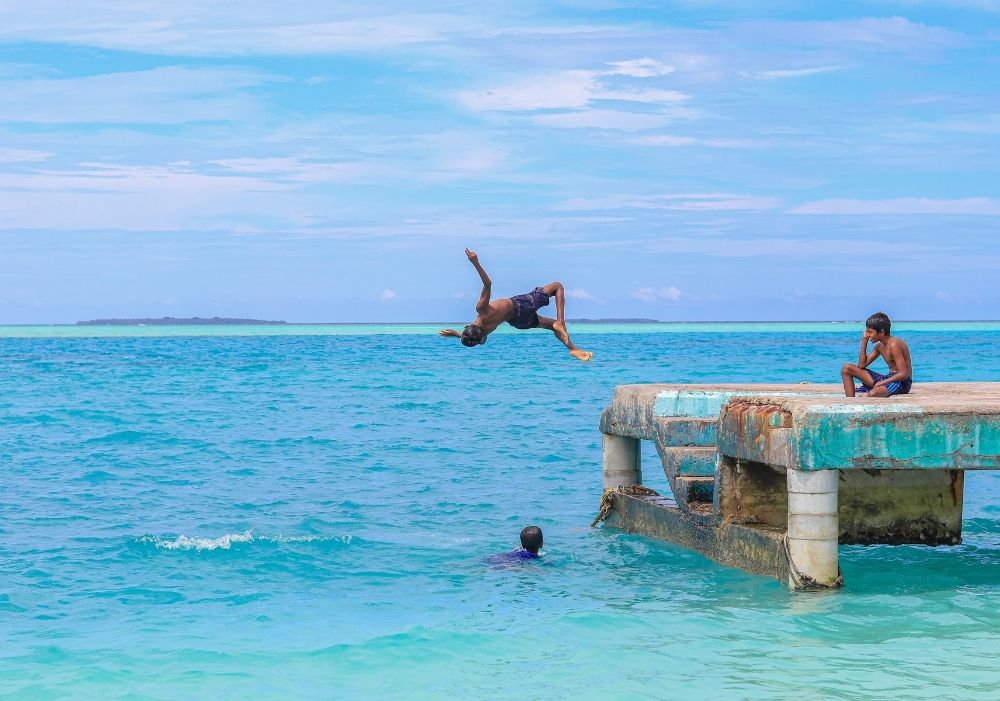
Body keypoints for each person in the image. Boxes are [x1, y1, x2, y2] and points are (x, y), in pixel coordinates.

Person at [438, 249, 593, 362]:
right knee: (557, 287)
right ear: (468, 327)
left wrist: (457, 335)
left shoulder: (485, 332)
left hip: (519, 322)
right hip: (520, 305)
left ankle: (573, 349)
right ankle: (561, 322)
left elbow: (478, 340)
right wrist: (476, 263)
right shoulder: (481, 310)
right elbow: (488, 283)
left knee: (551, 327)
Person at [840, 312, 913, 397]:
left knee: (872, 394)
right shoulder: (879, 346)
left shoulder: (894, 344)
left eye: (870, 332)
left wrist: (882, 382)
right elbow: (861, 365)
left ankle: (877, 389)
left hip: (901, 383)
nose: (867, 335)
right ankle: (850, 403)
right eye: (867, 332)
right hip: (889, 378)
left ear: (882, 332)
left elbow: (903, 374)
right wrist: (864, 341)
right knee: (847, 368)